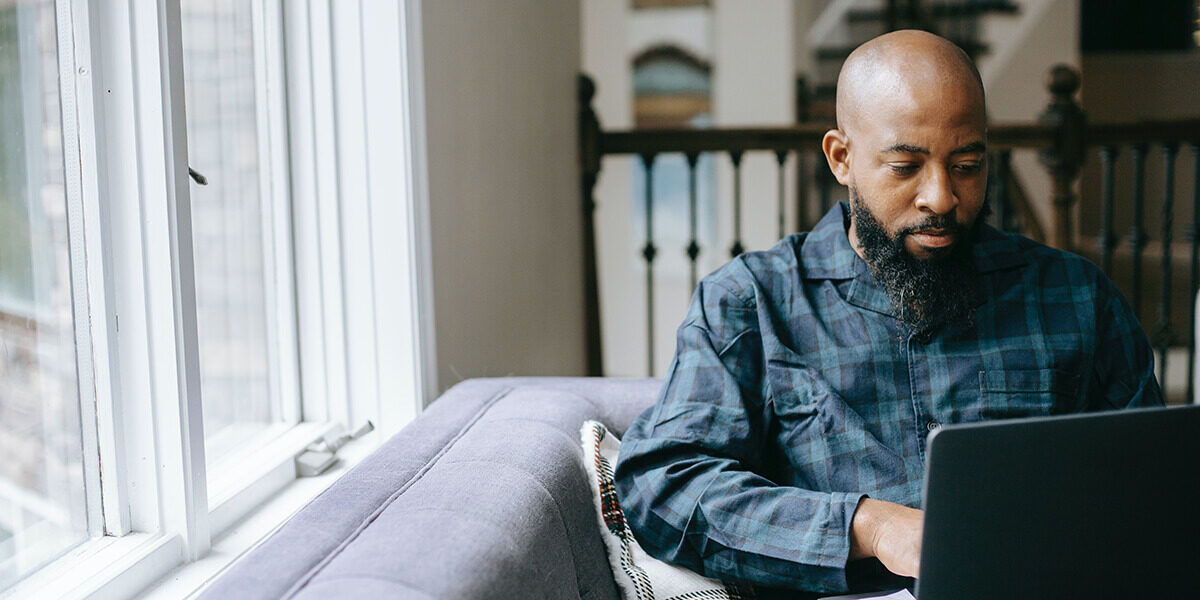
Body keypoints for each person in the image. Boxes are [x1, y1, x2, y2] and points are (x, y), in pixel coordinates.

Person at [613, 30, 1162, 598]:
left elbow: (1156, 488)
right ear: (842, 158)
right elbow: (663, 483)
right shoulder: (751, 302)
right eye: (905, 166)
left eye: (968, 165)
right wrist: (866, 526)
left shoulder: (1075, 297)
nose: (941, 198)